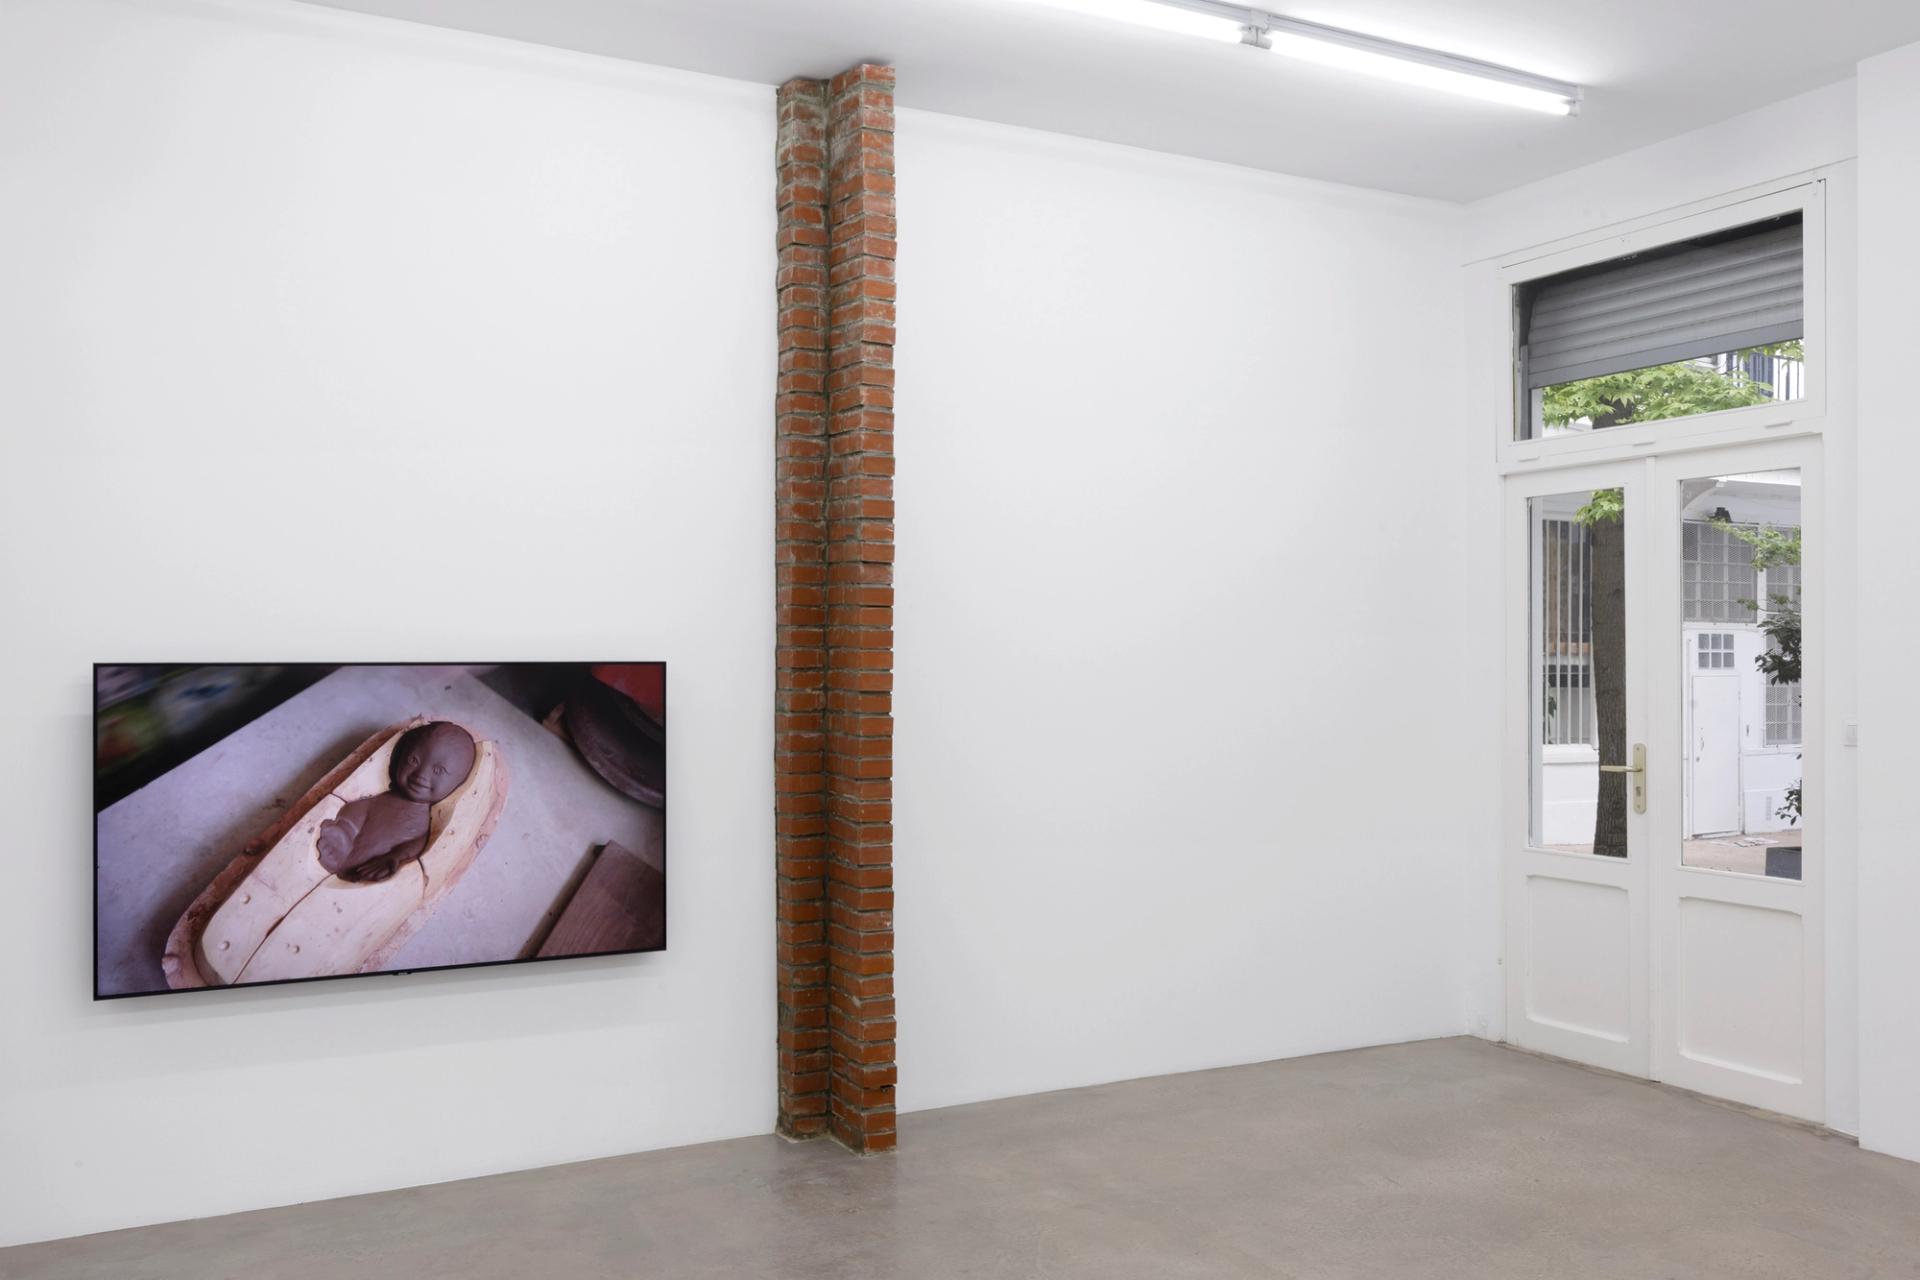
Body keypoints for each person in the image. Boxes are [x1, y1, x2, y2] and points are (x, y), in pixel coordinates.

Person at [314, 721, 475, 883]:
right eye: (413, 760)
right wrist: (345, 831)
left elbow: (415, 844)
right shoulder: (378, 801)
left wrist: (394, 858)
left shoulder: (424, 824)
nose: (421, 775)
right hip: (343, 853)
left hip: (372, 871)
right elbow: (357, 810)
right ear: (401, 756)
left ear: (458, 783)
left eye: (438, 770)